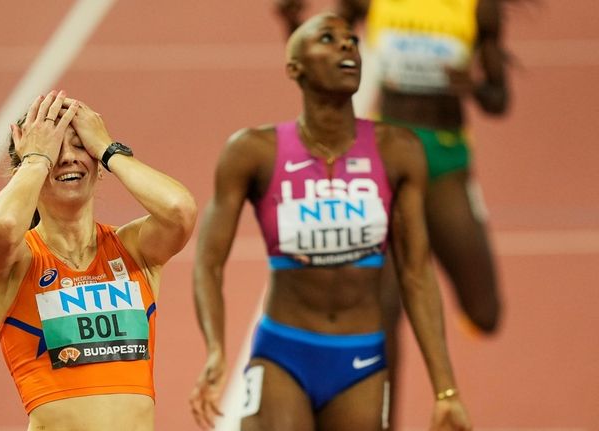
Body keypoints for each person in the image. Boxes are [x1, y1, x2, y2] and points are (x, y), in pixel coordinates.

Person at [190, 13, 471, 431]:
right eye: (327, 38)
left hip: (362, 360)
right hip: (284, 353)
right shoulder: (253, 152)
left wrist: (446, 390)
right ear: (295, 68)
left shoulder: (397, 151)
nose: (346, 46)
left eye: (351, 41)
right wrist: (215, 348)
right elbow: (208, 262)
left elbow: (416, 274)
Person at [0, 90, 197, 431]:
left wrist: (109, 149)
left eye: (80, 145)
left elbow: (180, 211)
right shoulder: (17, 264)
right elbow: (2, 226)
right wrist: (35, 160)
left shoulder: (133, 252)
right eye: (53, 148)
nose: (67, 158)